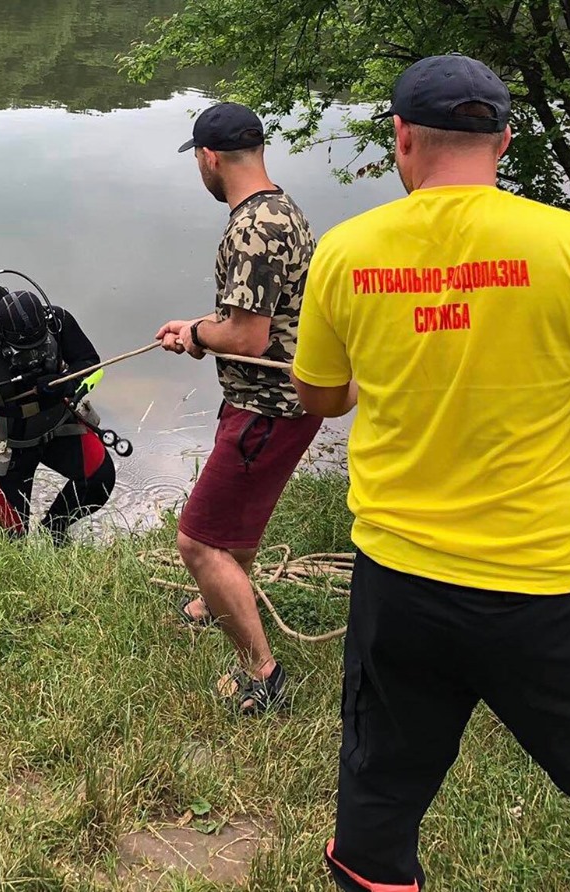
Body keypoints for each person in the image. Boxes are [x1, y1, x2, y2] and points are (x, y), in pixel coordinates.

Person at [292, 54, 570, 891]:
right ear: (506, 141)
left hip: (402, 584)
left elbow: (320, 398)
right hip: (551, 588)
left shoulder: (344, 253)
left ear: (401, 139)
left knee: (378, 804)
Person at [158, 102, 321, 714]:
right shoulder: (285, 210)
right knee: (232, 524)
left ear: (210, 157)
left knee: (198, 542)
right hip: (279, 401)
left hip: (266, 409)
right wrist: (201, 328)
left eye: (197, 158)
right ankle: (213, 601)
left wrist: (197, 335)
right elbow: (251, 326)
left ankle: (263, 675)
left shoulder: (250, 229)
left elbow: (248, 338)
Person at [0, 283, 116, 544]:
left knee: (101, 482)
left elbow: (93, 365)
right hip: (7, 440)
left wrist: (67, 383)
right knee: (13, 538)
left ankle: (55, 528)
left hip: (57, 423)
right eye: (23, 350)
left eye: (40, 346)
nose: (33, 355)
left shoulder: (58, 322)